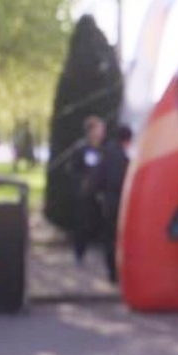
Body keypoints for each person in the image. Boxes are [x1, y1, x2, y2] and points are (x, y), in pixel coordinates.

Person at [70, 116, 108, 272]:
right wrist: (82, 184)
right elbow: (74, 170)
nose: (102, 132)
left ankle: (103, 257)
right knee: (83, 226)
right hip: (85, 195)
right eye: (99, 129)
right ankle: (79, 255)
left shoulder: (104, 149)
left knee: (102, 226)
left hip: (101, 195)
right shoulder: (81, 148)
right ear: (91, 131)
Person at [98, 126, 132, 284]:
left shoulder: (106, 152)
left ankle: (112, 271)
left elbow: (99, 175)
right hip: (119, 202)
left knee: (109, 237)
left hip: (107, 201)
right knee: (117, 237)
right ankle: (117, 272)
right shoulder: (124, 157)